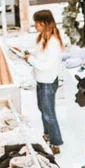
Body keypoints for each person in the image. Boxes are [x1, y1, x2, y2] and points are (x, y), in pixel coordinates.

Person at [23, 10, 65, 152]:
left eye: (37, 23)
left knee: (49, 113)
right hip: (41, 79)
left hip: (48, 81)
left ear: (44, 23)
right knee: (43, 109)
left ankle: (56, 143)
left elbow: (47, 66)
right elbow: (38, 53)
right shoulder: (42, 38)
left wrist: (31, 60)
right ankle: (47, 134)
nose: (35, 25)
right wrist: (29, 54)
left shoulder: (53, 43)